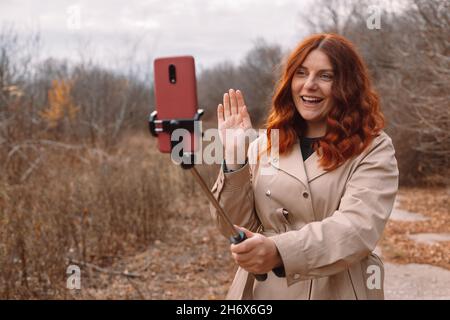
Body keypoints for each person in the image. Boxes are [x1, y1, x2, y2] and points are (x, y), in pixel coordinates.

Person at [209, 33, 399, 300]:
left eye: (325, 76)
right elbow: (236, 227)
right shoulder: (266, 142)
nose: (309, 85)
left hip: (339, 289)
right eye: (302, 73)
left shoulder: (372, 147)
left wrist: (278, 251)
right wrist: (234, 158)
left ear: (347, 85)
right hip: (264, 291)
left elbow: (357, 229)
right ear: (290, 81)